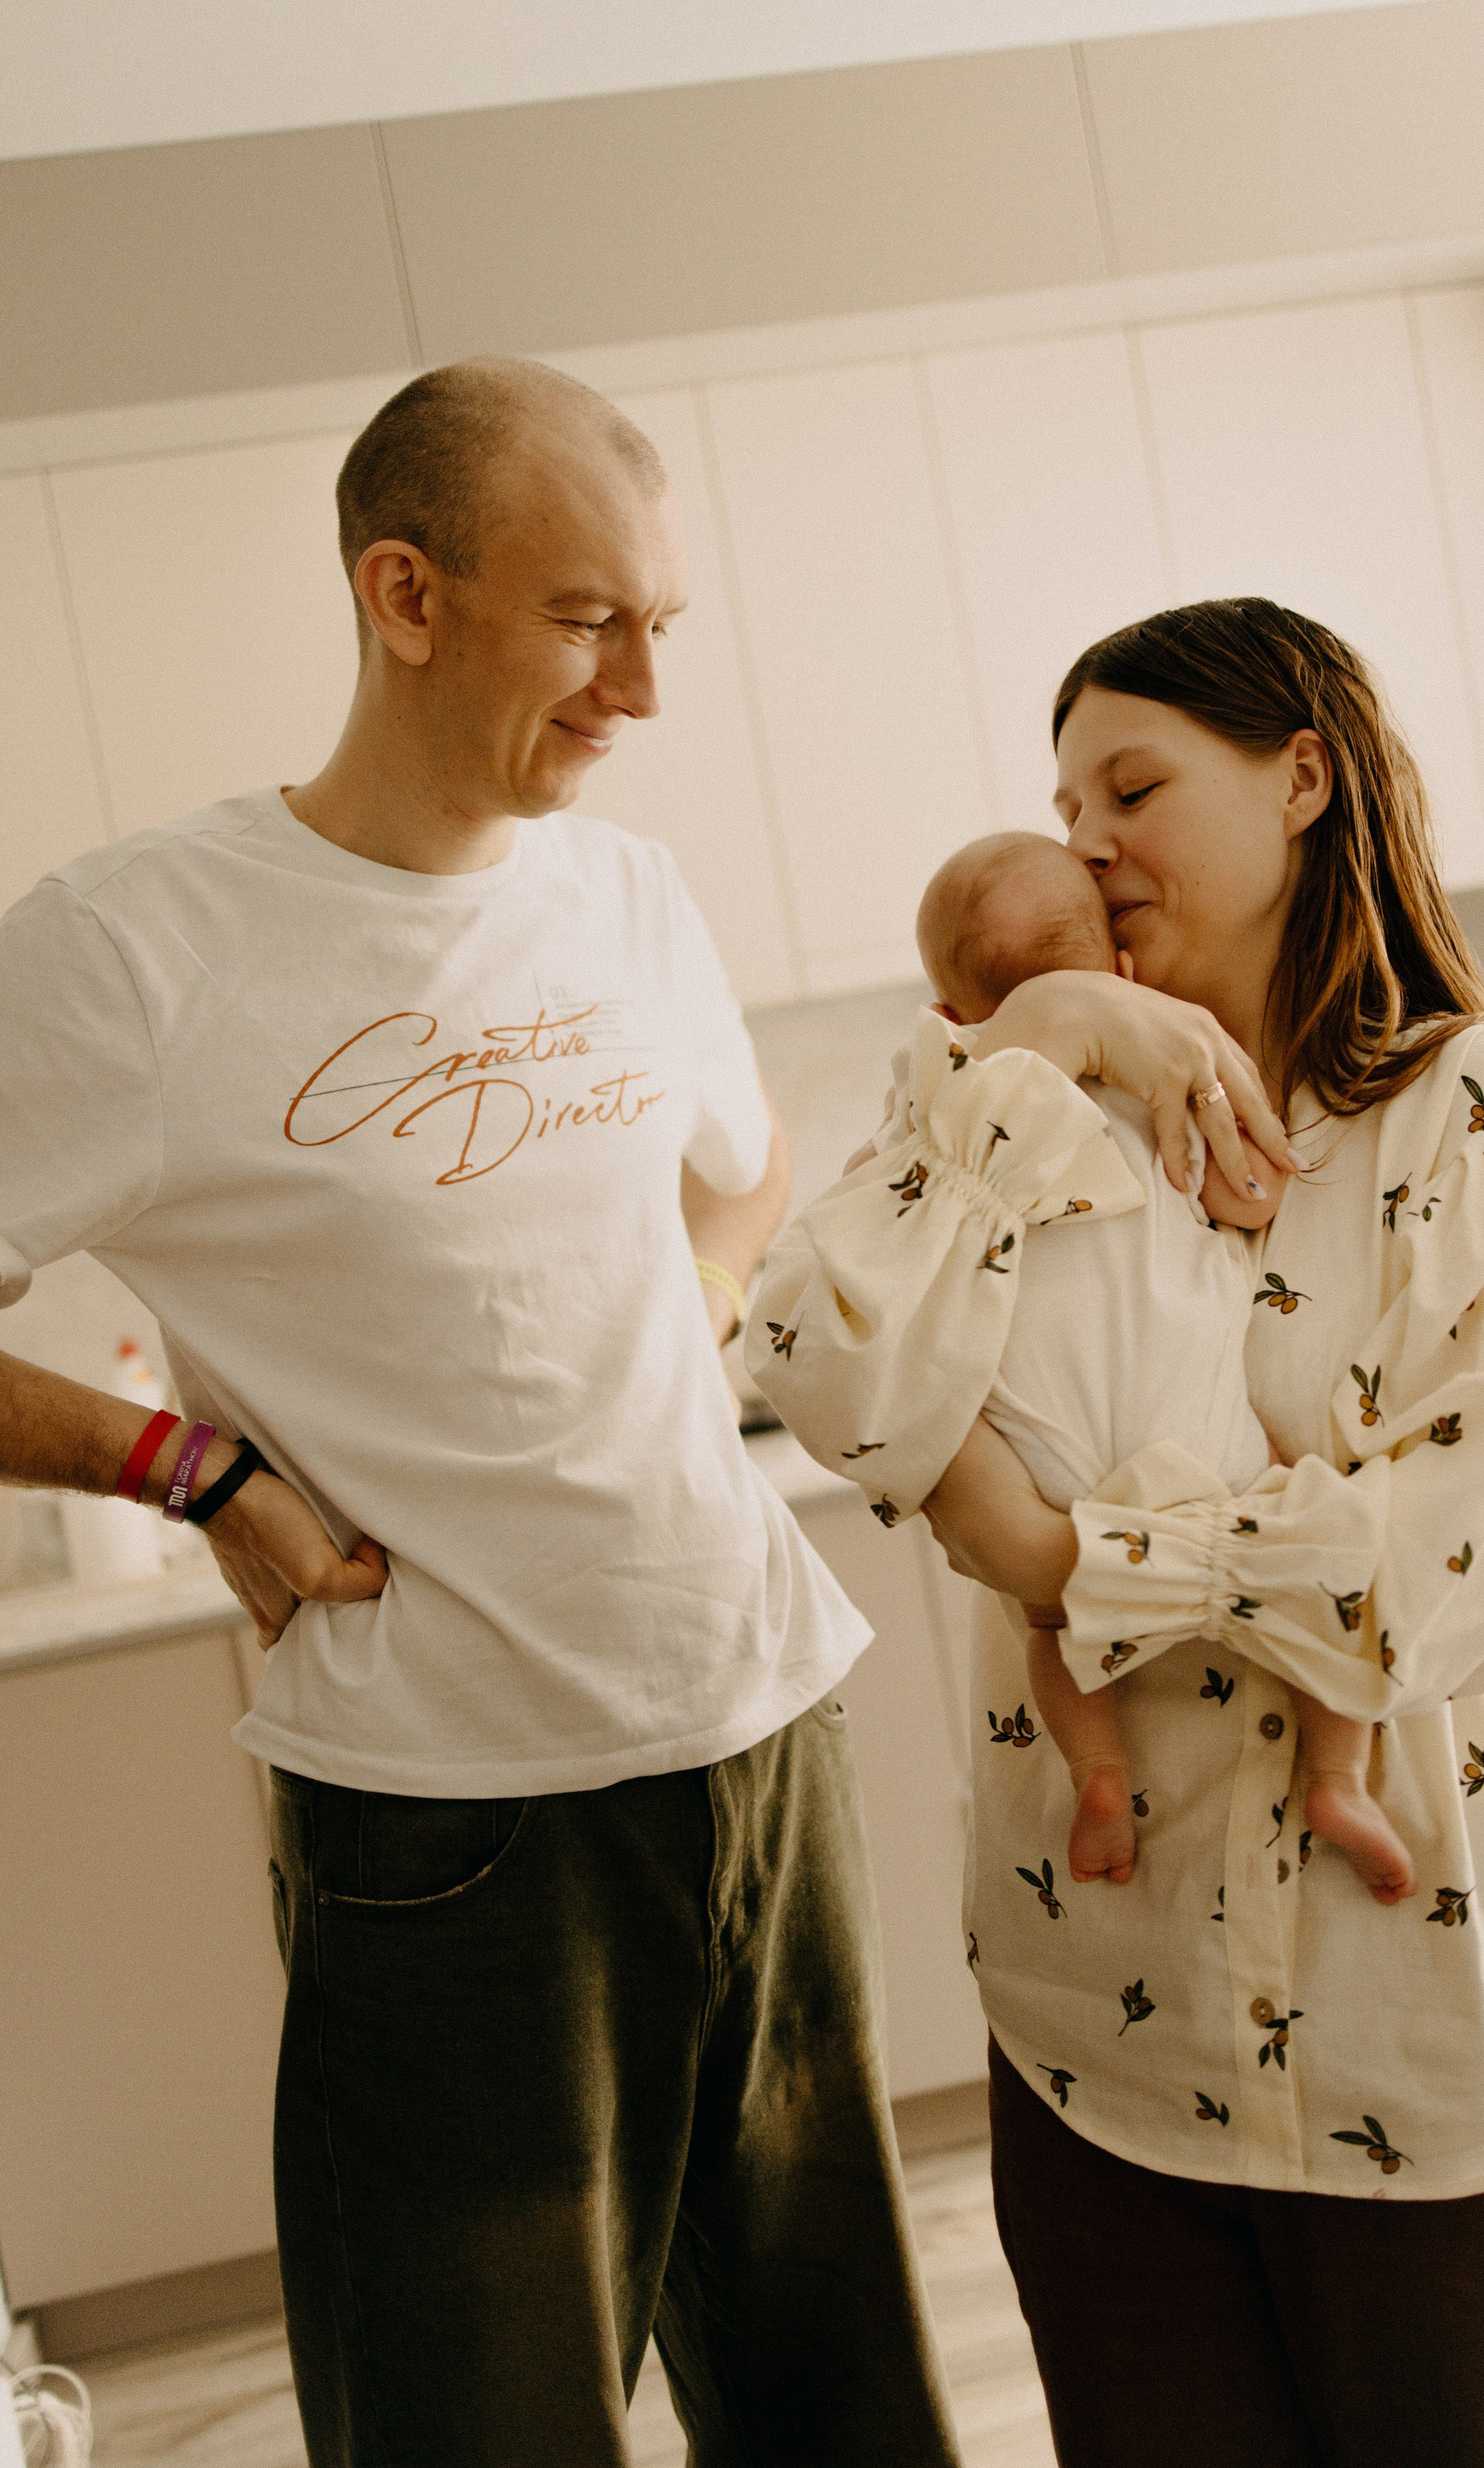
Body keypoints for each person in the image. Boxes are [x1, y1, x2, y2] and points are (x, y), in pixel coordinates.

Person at [0, 357, 961, 2466]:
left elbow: (739, 1169)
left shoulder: (625, 894)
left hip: (761, 1733)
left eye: (661, 624)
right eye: (588, 620)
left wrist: (686, 1313)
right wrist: (186, 1470)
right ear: (405, 594)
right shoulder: (135, 951)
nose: (642, 690)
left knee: (846, 2413)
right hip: (453, 1818)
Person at [755, 599, 1484, 2466]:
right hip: (1101, 2046)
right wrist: (1036, 1042)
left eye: (1132, 789)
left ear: (1303, 779)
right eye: (1063, 808)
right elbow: (812, 1362)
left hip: (1429, 2050)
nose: (1087, 842)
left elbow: (1450, 1589)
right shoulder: (1013, 1099)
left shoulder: (1479, 1117)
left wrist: (1072, 1562)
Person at [763, 827, 1416, 1902]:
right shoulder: (1158, 1077)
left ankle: (1101, 1776)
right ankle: (1339, 1779)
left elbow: (872, 1222)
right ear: (1120, 972)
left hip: (1046, 1465)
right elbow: (1250, 1195)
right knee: (1313, 1558)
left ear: (948, 1015)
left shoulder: (938, 1114)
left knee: (1050, 1620)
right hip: (1200, 1438)